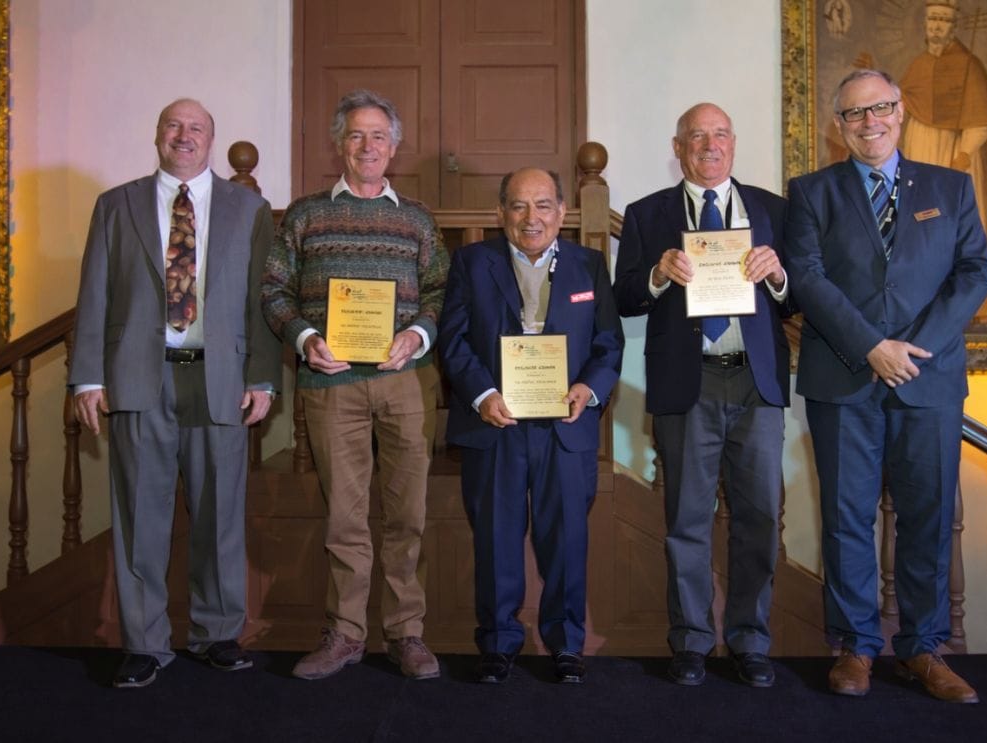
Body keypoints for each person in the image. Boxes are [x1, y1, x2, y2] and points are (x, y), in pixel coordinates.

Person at [784, 69, 987, 703]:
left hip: (928, 380)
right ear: (838, 126)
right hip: (843, 377)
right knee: (846, 520)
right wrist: (872, 347)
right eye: (854, 113)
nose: (868, 122)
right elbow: (806, 277)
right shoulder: (811, 192)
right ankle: (855, 648)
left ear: (901, 112)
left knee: (928, 519)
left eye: (879, 108)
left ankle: (924, 649)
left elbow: (975, 271)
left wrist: (914, 348)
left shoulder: (951, 188)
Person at [69, 98, 280, 688]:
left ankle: (218, 633)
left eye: (196, 128)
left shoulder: (250, 209)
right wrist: (88, 376)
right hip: (140, 377)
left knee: (220, 514)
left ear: (211, 140)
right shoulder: (116, 205)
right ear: (157, 135)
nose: (184, 136)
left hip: (221, 378)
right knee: (140, 516)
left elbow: (261, 302)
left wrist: (263, 376)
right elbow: (94, 292)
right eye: (174, 126)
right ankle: (144, 643)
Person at [262, 89, 449, 681]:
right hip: (331, 385)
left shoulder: (417, 219)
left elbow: (441, 292)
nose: (368, 146)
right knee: (345, 518)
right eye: (356, 135)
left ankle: (406, 633)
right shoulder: (305, 215)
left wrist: (417, 334)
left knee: (407, 514)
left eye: (379, 136)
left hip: (406, 381)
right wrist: (304, 339)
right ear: (339, 144)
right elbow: (273, 291)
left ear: (394, 147)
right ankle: (345, 634)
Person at [613, 103, 793, 688]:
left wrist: (778, 275)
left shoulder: (773, 210)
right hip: (688, 382)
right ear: (678, 147)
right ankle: (691, 640)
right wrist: (658, 274)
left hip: (756, 381)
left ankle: (749, 640)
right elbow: (624, 298)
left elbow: (797, 298)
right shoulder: (647, 214)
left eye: (719, 135)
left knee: (759, 518)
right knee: (686, 519)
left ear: (733, 143)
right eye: (697, 136)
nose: (709, 145)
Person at [438, 168, 623, 684]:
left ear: (562, 212)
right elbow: (453, 339)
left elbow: (609, 343)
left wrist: (588, 388)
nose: (531, 217)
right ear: (501, 213)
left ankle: (566, 644)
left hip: (565, 426)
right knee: (496, 537)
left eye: (543, 205)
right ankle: (498, 643)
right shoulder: (471, 262)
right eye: (518, 206)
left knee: (566, 539)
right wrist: (482, 394)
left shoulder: (589, 265)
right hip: (495, 423)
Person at [899, 0, 987, 314]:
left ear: (953, 26)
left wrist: (964, 154)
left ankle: (965, 288)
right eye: (932, 20)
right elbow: (903, 106)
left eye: (943, 20)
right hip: (921, 149)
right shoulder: (918, 64)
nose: (936, 26)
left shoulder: (969, 65)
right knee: (921, 216)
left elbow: (980, 120)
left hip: (956, 151)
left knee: (957, 218)